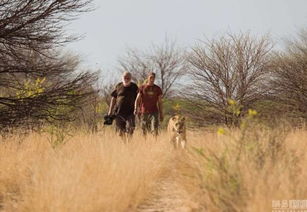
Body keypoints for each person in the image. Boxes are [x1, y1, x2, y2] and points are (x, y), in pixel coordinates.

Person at [108, 72, 138, 138]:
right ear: (122, 78)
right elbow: (113, 98)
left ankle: (129, 142)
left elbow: (138, 98)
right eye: (125, 78)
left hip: (131, 112)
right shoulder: (119, 86)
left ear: (131, 78)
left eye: (128, 78)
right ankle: (124, 144)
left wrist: (138, 108)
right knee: (120, 131)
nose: (126, 79)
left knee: (131, 127)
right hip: (119, 112)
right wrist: (110, 111)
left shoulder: (134, 87)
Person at [134, 72, 164, 136]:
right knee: (144, 130)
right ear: (148, 78)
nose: (152, 79)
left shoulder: (157, 89)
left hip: (154, 112)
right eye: (151, 77)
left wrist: (161, 113)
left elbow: (160, 102)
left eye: (153, 78)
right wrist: (136, 109)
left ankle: (155, 143)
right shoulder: (142, 87)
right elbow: (137, 100)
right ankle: (145, 144)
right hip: (144, 112)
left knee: (155, 129)